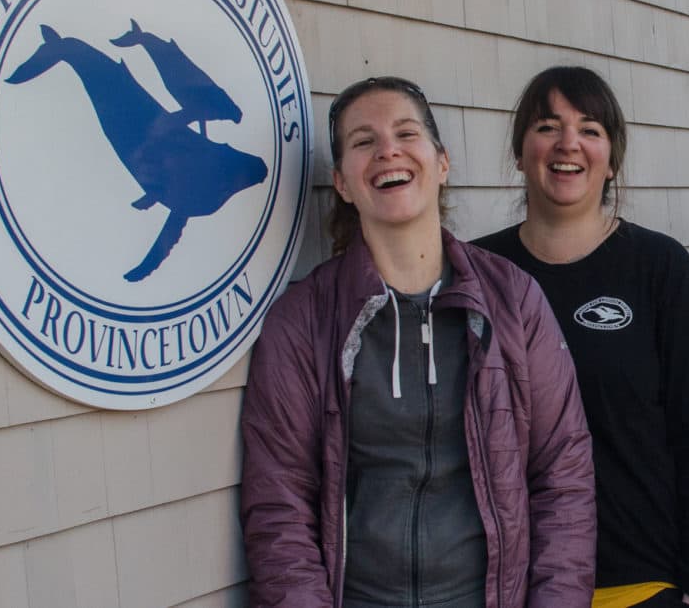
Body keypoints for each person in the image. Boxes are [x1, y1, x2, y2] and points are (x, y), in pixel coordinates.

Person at [240, 75, 596, 608]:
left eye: (406, 133)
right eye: (364, 142)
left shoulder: (514, 302)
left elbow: (562, 478)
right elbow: (279, 506)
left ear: (442, 162)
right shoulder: (303, 320)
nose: (388, 150)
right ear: (342, 182)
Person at [474, 66, 689, 608]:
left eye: (590, 129)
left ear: (611, 158)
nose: (568, 143)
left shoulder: (661, 270)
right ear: (519, 152)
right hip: (512, 588)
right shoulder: (479, 275)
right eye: (548, 125)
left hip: (639, 584)